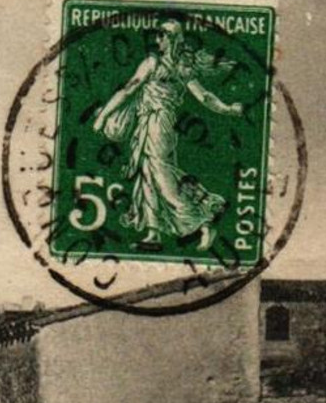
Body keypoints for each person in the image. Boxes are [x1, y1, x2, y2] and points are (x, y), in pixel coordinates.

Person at [91, 19, 244, 250]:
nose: (157, 40)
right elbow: (202, 96)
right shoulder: (174, 66)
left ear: (172, 39)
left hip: (159, 124)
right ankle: (153, 234)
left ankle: (203, 224)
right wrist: (228, 108)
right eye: (158, 36)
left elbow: (202, 96)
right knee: (147, 174)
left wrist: (103, 116)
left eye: (162, 36)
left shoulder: (162, 65)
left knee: (162, 177)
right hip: (150, 124)